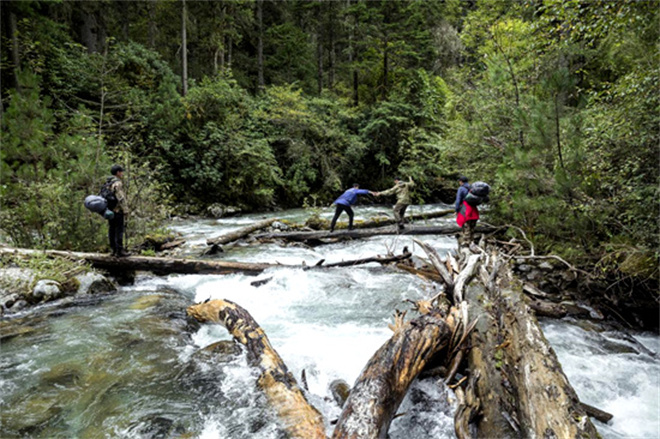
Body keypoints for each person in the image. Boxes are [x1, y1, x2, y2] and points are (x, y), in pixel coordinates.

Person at [106, 165, 131, 257]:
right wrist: (125, 210)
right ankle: (120, 251)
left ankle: (113, 250)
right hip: (117, 210)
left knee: (111, 229)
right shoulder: (117, 183)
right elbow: (120, 198)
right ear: (118, 172)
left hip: (109, 210)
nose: (122, 173)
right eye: (121, 172)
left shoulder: (108, 182)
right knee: (119, 230)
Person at [455, 175, 479, 246]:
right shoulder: (472, 188)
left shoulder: (461, 189)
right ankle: (472, 243)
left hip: (465, 210)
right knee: (472, 228)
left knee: (466, 228)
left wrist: (457, 210)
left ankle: (466, 245)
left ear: (461, 182)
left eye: (459, 181)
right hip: (474, 210)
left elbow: (458, 201)